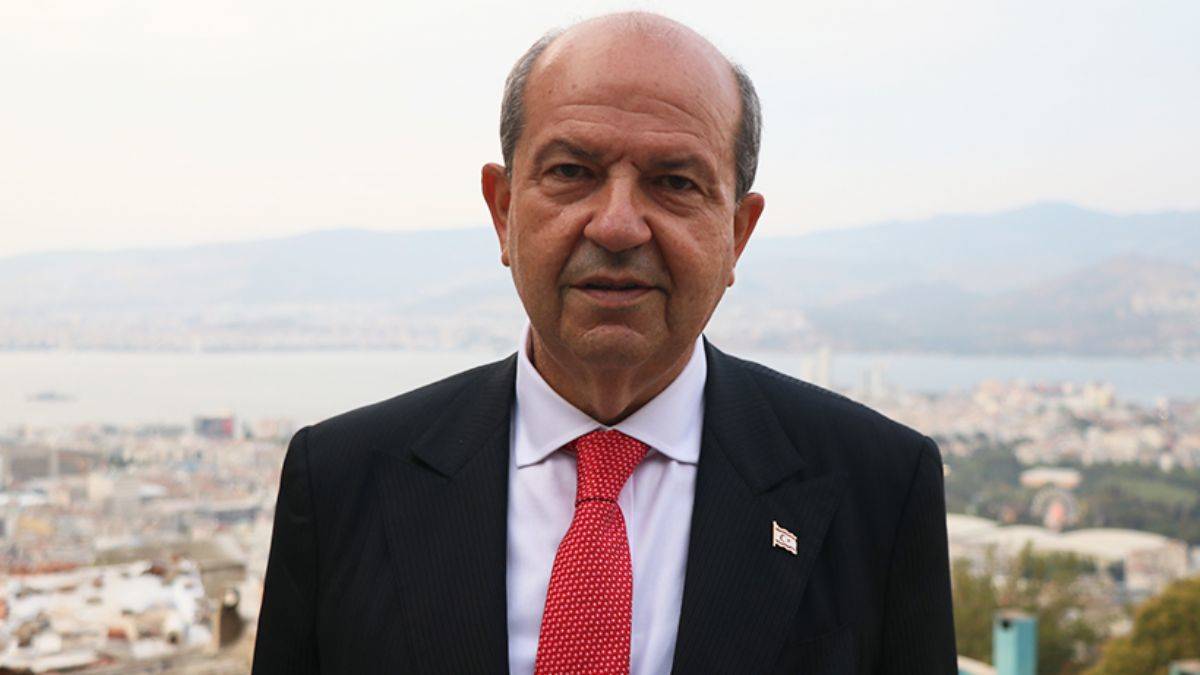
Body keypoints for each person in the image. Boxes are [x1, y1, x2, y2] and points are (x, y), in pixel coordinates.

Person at [252, 11, 956, 675]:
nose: (617, 226)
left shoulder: (880, 487)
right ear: (503, 211)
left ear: (737, 234)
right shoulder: (341, 480)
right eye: (572, 172)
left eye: (674, 182)